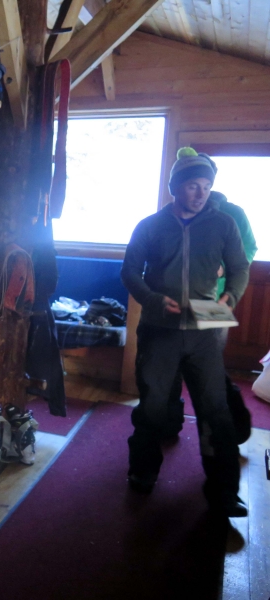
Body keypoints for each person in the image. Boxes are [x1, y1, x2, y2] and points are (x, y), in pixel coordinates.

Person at [121, 147, 250, 517]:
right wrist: (152, 299)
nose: (201, 193)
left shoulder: (224, 224)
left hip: (205, 330)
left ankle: (224, 491)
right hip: (160, 329)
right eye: (193, 186)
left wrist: (231, 295)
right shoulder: (149, 225)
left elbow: (240, 267)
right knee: (153, 407)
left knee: (215, 409)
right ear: (176, 188)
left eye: (206, 186)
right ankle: (143, 472)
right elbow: (130, 271)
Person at [164, 154, 258, 441]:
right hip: (176, 301)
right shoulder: (176, 211)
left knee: (210, 372)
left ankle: (227, 433)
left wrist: (224, 269)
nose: (199, 189)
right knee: (169, 367)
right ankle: (168, 426)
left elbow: (248, 252)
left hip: (213, 302)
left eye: (206, 180)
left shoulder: (232, 213)